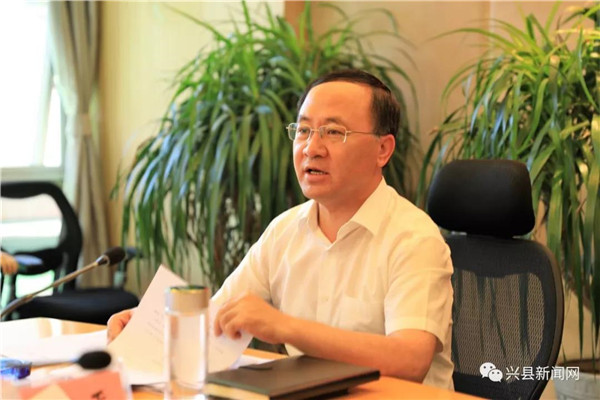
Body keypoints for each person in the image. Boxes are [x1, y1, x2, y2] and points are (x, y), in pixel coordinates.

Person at [108, 69, 454, 389]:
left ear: (382, 149)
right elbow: (219, 320)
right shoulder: (285, 231)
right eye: (303, 131)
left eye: (334, 132)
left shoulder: (413, 237)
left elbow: (410, 359)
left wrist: (285, 327)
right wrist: (155, 327)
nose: (311, 148)